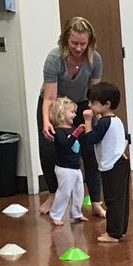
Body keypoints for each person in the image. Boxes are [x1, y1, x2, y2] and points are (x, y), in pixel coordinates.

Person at [38, 18, 105, 215]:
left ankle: (95, 201)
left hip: (82, 104)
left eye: (83, 44)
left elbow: (95, 94)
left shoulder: (95, 59)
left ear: (89, 42)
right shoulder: (55, 58)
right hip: (55, 104)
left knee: (88, 150)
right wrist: (46, 121)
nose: (78, 48)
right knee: (50, 148)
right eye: (74, 43)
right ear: (66, 40)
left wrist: (96, 118)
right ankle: (53, 194)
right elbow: (50, 97)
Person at [79, 83, 130, 243]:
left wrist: (87, 121)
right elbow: (126, 138)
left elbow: (90, 140)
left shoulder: (103, 122)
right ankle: (120, 230)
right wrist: (120, 150)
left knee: (112, 200)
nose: (89, 105)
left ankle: (113, 233)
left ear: (106, 104)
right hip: (120, 163)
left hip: (112, 166)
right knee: (121, 199)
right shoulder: (116, 120)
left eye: (93, 102)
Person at [46, 97, 87, 227]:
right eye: (72, 112)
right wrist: (76, 133)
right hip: (64, 168)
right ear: (62, 114)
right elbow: (65, 145)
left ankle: (76, 212)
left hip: (75, 166)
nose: (75, 115)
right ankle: (56, 214)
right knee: (64, 192)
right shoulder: (59, 131)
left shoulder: (72, 127)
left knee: (79, 191)